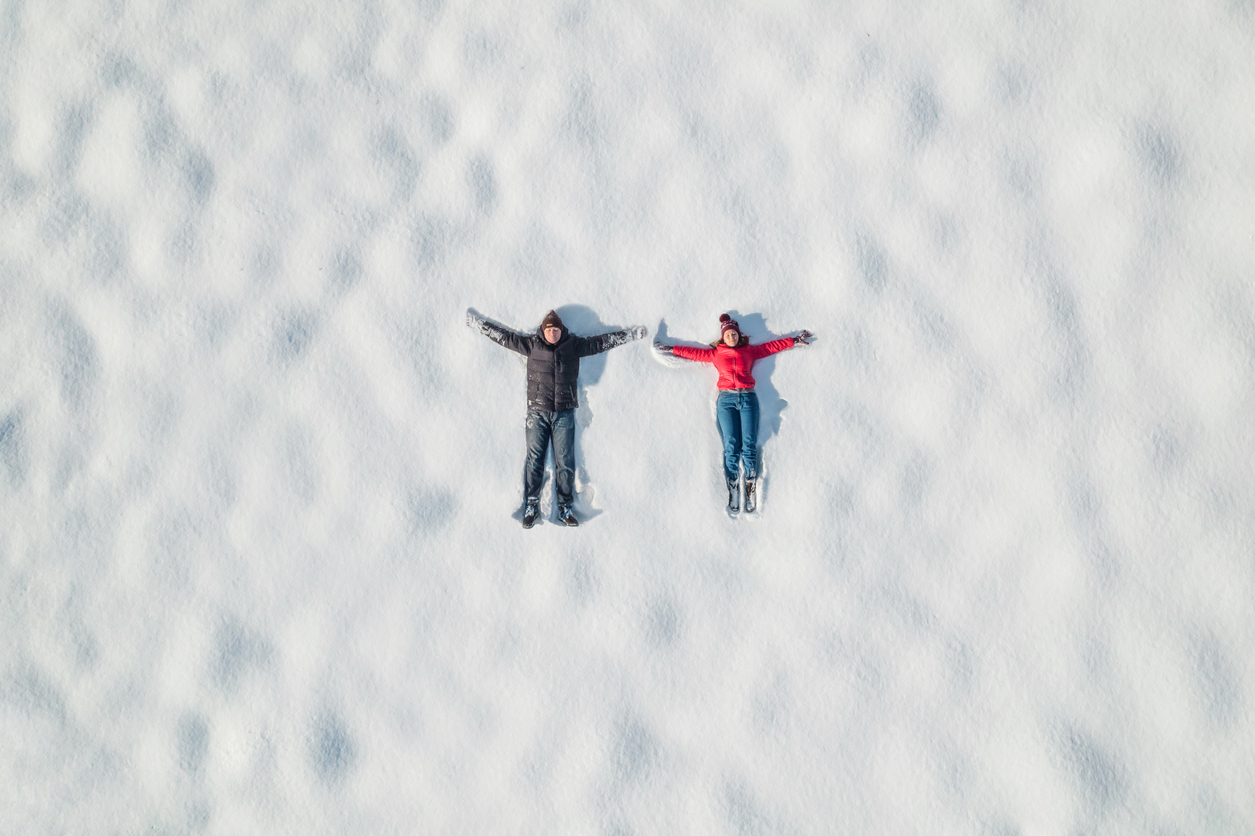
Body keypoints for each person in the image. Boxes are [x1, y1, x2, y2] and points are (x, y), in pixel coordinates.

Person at [467, 308, 647, 528]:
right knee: (534, 461)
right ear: (544, 330)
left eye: (556, 329)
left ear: (562, 330)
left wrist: (629, 335)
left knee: (565, 462)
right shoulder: (531, 345)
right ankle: (531, 506)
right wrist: (478, 324)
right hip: (537, 413)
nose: (553, 333)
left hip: (564, 413)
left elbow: (601, 342)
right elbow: (503, 337)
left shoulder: (573, 346)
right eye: (549, 329)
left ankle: (565, 507)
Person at [655, 313, 813, 515]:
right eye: (728, 334)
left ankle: (750, 488)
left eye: (734, 334)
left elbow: (771, 346)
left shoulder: (749, 351)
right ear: (723, 337)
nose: (731, 337)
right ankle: (733, 491)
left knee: (748, 444)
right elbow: (693, 353)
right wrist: (670, 348)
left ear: (739, 335)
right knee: (731, 446)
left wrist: (794, 340)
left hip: (748, 399)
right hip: (726, 401)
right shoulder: (716, 354)